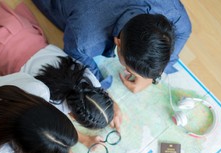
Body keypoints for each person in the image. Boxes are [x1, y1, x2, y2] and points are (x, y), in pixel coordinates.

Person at [0, 0, 122, 148]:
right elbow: (60, 131)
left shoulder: (89, 80)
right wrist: (86, 140)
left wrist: (111, 107)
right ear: (74, 117)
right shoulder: (55, 106)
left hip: (21, 31)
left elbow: (97, 91)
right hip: (1, 52)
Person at [31, 0, 192, 93]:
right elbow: (77, 56)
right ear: (118, 42)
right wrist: (100, 88)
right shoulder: (84, 39)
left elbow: (185, 29)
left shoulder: (171, 9)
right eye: (129, 69)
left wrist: (153, 76)